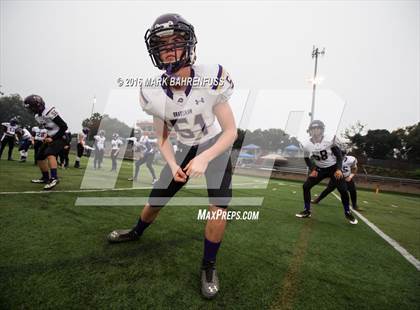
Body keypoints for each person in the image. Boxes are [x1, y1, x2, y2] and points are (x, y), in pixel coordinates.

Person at [107, 13, 237, 299]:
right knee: (156, 200)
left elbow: (230, 132)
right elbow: (162, 138)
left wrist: (206, 156)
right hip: (182, 148)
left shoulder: (211, 77)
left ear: (189, 45)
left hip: (214, 145)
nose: (169, 50)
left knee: (219, 207)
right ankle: (136, 231)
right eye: (162, 46)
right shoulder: (152, 92)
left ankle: (209, 265)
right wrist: (173, 163)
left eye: (175, 43)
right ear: (154, 51)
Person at [296, 120, 358, 225]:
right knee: (306, 186)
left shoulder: (329, 140)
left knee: (343, 190)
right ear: (310, 131)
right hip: (320, 169)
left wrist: (338, 169)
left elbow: (339, 156)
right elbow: (306, 158)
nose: (316, 130)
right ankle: (307, 211)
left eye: (318, 128)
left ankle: (347, 212)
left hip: (333, 168)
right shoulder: (306, 144)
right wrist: (313, 169)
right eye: (313, 128)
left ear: (322, 130)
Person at [24, 94, 68, 190]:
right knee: (40, 156)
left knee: (50, 153)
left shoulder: (49, 112)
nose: (31, 109)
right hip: (51, 135)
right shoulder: (37, 116)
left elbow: (64, 126)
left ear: (38, 105)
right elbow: (49, 128)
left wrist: (53, 138)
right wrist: (47, 136)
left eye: (32, 107)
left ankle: (54, 178)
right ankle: (45, 178)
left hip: (62, 135)